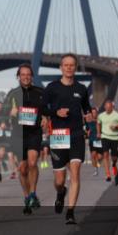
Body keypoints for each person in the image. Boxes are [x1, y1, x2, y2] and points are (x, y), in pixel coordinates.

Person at [41, 54, 93, 225]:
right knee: (60, 180)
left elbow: (86, 108)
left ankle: (70, 212)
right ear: (61, 68)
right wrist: (56, 112)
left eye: (72, 65)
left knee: (75, 173)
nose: (69, 68)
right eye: (66, 65)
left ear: (75, 68)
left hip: (77, 135)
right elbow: (42, 108)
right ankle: (60, 192)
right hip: (59, 135)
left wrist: (89, 115)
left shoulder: (82, 89)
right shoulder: (52, 87)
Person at [4, 63, 44, 215]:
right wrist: (10, 111)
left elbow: (47, 108)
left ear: (32, 76)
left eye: (28, 74)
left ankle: (33, 194)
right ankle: (27, 197)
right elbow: (3, 110)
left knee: (32, 162)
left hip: (34, 132)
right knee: (22, 168)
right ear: (18, 77)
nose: (26, 77)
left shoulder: (40, 92)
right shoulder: (12, 93)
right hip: (18, 134)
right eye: (23, 75)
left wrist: (46, 117)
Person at [96, 100, 118, 182]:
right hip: (104, 137)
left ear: (112, 107)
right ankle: (108, 174)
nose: (108, 109)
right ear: (105, 107)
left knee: (114, 157)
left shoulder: (117, 115)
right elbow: (98, 123)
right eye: (107, 107)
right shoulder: (101, 115)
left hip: (114, 138)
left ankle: (114, 164)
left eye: (110, 108)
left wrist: (117, 127)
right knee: (105, 154)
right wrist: (98, 132)